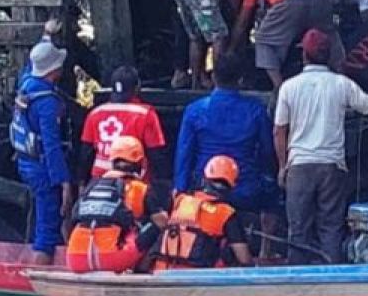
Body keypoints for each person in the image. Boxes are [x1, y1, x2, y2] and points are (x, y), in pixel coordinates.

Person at [274, 28, 368, 264]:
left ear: (304, 55)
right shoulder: (341, 84)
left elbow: (279, 130)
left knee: (298, 231)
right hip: (332, 167)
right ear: (329, 56)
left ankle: (297, 285)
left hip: (299, 166)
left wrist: (282, 166)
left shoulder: (289, 87)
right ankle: (333, 281)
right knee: (331, 229)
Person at [174, 52, 281, 256]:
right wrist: (269, 179)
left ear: (213, 77)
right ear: (241, 80)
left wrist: (180, 189)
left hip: (204, 189)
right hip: (246, 188)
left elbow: (184, 154)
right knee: (273, 197)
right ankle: (265, 252)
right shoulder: (255, 110)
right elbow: (268, 153)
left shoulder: (195, 110)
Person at [231, 0, 344, 89]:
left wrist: (232, 49)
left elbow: (242, 22)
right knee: (327, 37)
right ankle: (341, 78)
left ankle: (279, 87)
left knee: (263, 39)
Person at [12, 40, 75, 265]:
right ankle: (37, 284)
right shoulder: (47, 103)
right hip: (42, 168)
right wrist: (64, 181)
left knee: (44, 219)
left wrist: (47, 35)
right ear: (54, 71)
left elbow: (31, 64)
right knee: (47, 233)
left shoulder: (26, 82)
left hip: (25, 162)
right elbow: (52, 147)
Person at [66, 136, 170, 274]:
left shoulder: (91, 186)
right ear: (141, 163)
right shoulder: (140, 189)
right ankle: (142, 270)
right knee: (159, 222)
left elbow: (70, 221)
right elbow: (161, 221)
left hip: (75, 258)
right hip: (113, 260)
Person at [153, 155, 253, 270]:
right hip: (197, 279)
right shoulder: (226, 213)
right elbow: (244, 259)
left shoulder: (179, 200)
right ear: (232, 185)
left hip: (162, 272)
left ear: (204, 178)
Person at [79, 65, 166, 182]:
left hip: (99, 182)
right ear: (137, 88)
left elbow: (86, 155)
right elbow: (156, 155)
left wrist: (82, 184)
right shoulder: (146, 114)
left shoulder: (95, 113)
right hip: (133, 184)